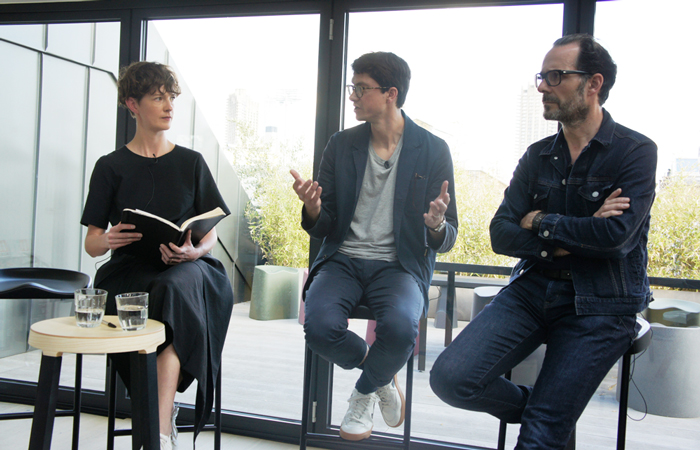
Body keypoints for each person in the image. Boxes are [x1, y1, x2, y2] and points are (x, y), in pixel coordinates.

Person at [430, 34, 657, 449]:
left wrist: (539, 221)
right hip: (534, 288)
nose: (542, 87)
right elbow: (500, 232)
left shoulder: (635, 151)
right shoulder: (537, 156)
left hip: (602, 302)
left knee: (539, 437)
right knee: (451, 379)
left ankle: (548, 417)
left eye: (556, 76)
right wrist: (569, 236)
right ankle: (545, 409)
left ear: (593, 83)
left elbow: (615, 239)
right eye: (542, 76)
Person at [291, 51, 458, 441]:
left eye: (361, 88)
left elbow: (449, 235)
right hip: (343, 260)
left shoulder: (433, 150)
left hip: (400, 266)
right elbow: (325, 225)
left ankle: (364, 392)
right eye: (353, 87)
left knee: (400, 329)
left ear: (390, 94)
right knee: (319, 328)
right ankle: (381, 375)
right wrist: (313, 209)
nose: (352, 96)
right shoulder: (341, 145)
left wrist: (435, 225)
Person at [80, 61, 234, 450]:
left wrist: (195, 250)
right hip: (129, 271)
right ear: (133, 104)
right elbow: (92, 242)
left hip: (188, 268)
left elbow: (211, 232)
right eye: (157, 98)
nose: (168, 106)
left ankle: (158, 432)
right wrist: (109, 238)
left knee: (173, 288)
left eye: (171, 98)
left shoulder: (191, 162)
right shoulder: (110, 167)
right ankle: (162, 426)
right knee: (162, 295)